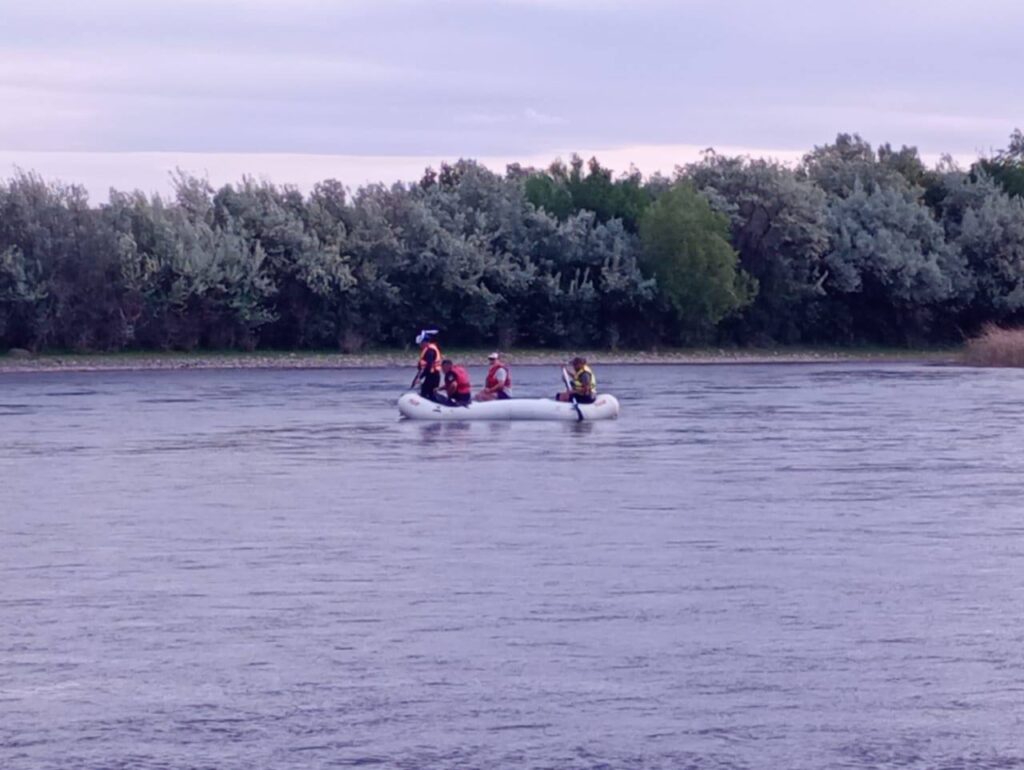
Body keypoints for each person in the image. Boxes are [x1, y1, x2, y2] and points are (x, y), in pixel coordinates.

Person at [410, 329, 442, 401]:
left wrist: (420, 378)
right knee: (426, 392)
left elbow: (428, 366)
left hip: (433, 376)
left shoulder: (430, 351)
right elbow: (422, 368)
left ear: (425, 342)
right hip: (430, 376)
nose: (420, 345)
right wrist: (416, 379)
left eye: (421, 343)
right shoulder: (427, 350)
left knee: (428, 393)